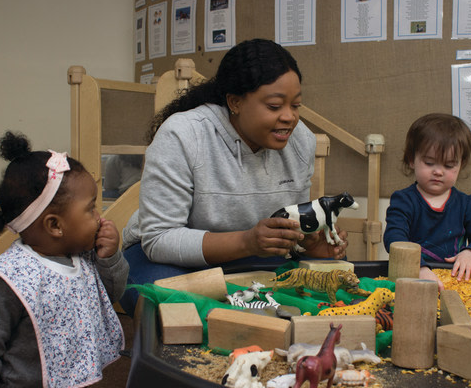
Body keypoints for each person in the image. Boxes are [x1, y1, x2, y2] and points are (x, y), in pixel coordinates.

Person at [120, 38, 349, 316]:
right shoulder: (183, 135)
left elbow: (290, 227)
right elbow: (159, 240)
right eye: (275, 106)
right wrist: (247, 242)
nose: (289, 117)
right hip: (166, 260)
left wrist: (309, 246)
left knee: (331, 285)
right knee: (163, 300)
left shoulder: (301, 142)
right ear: (235, 102)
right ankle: (240, 312)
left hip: (249, 256)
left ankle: (239, 309)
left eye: (296, 105)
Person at [0, 131, 129, 387]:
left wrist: (110, 257)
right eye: (91, 207)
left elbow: (112, 294)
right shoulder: (10, 278)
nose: (99, 216)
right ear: (55, 225)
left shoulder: (83, 257)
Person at [383, 113, 471, 291]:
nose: (438, 171)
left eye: (449, 165)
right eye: (429, 163)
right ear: (411, 160)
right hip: (412, 280)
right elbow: (394, 238)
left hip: (454, 284)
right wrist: (419, 268)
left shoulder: (468, 204)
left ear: (461, 165)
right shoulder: (403, 200)